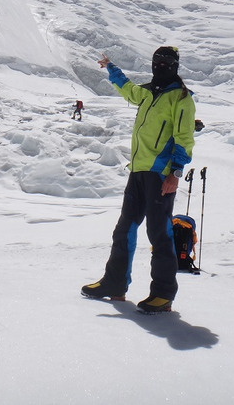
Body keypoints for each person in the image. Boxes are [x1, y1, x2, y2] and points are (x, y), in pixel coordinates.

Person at [81, 46, 196, 314]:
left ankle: (163, 295)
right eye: (157, 61)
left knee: (159, 233)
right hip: (138, 172)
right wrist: (111, 68)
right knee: (124, 230)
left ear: (175, 65)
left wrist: (175, 173)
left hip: (160, 175)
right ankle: (114, 284)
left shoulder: (181, 98)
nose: (161, 66)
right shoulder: (148, 92)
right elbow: (128, 90)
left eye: (167, 62)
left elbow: (184, 138)